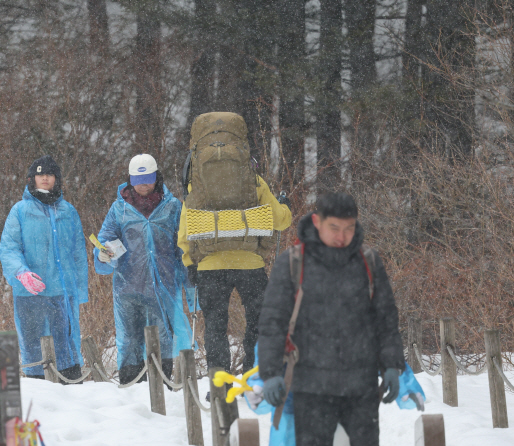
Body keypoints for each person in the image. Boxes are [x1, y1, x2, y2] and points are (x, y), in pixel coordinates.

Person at [258, 192, 405, 445]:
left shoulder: (369, 261)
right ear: (317, 221)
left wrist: (392, 364)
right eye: (334, 227)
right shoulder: (293, 262)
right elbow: (273, 322)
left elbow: (386, 319)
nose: (342, 237)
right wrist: (270, 373)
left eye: (349, 228)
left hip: (361, 387)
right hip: (311, 388)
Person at [177, 111, 292, 375]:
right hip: (249, 263)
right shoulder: (253, 181)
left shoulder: (198, 186)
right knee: (258, 321)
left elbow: (184, 230)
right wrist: (285, 206)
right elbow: (280, 221)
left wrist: (189, 263)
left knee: (216, 325)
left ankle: (220, 381)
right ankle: (254, 374)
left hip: (209, 266)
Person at [94, 154, 193, 385]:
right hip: (128, 287)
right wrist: (101, 253)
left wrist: (190, 279)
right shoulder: (119, 209)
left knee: (163, 338)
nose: (143, 184)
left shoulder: (173, 207)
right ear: (130, 180)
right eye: (138, 179)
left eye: (148, 177)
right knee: (129, 339)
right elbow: (104, 239)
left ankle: (163, 386)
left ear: (157, 177)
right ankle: (130, 388)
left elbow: (184, 246)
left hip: (164, 287)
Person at [0, 155, 88, 383]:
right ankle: (38, 395)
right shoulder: (20, 211)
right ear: (32, 179)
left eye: (49, 174)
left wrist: (79, 290)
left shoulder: (68, 211)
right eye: (40, 174)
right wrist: (21, 273)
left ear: (57, 179)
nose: (45, 178)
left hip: (62, 292)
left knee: (66, 347)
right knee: (34, 348)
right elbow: (9, 248)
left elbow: (78, 253)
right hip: (30, 293)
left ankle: (73, 395)